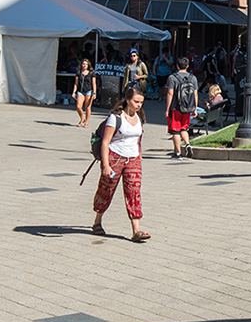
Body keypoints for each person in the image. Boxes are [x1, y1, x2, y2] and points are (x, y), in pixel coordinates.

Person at [91, 86, 150, 242]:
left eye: (141, 102)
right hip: (114, 158)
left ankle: (136, 231)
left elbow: (138, 140)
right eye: (136, 102)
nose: (139, 105)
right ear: (127, 100)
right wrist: (106, 165)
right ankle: (97, 220)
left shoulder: (140, 117)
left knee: (134, 192)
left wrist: (140, 157)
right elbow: (105, 142)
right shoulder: (115, 118)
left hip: (133, 159)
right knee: (107, 190)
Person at [164, 56, 199, 158]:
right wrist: (195, 108)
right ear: (188, 66)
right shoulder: (193, 78)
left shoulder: (172, 78)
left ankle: (178, 153)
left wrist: (167, 109)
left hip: (175, 108)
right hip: (187, 108)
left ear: (177, 66)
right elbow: (195, 95)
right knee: (184, 129)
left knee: (175, 131)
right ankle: (187, 143)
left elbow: (170, 94)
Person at [72, 59, 97, 127]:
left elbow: (94, 83)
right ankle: (82, 118)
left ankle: (86, 122)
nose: (84, 65)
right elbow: (76, 83)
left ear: (88, 65)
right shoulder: (79, 73)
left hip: (89, 91)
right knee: (78, 106)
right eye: (83, 64)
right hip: (80, 91)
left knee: (87, 107)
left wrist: (94, 93)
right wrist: (74, 92)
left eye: (86, 64)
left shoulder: (91, 73)